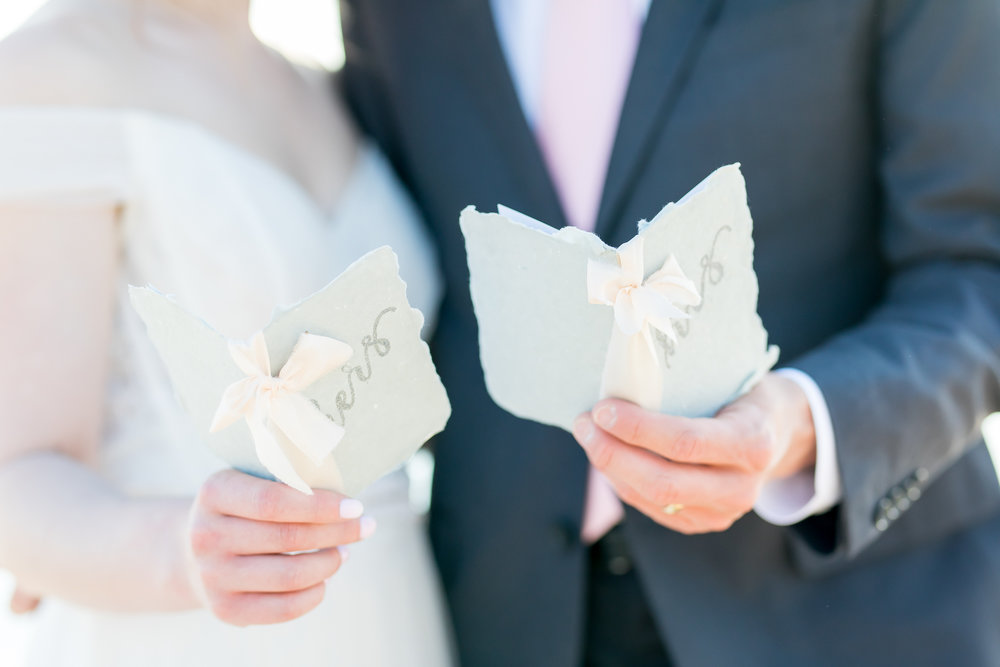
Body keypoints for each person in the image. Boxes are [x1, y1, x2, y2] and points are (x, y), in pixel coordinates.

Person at [340, 0, 1000, 665]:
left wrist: (798, 424)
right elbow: (402, 282)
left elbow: (977, 268)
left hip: (847, 614)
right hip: (509, 619)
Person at [0, 0, 453, 665]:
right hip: (193, 635)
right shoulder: (52, 71)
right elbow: (18, 471)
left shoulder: (327, 83)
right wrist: (184, 550)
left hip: (392, 616)